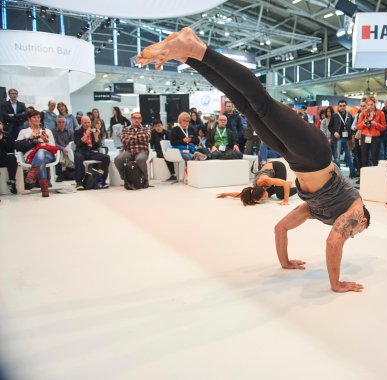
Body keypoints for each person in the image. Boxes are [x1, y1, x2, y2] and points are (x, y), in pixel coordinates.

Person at [137, 27, 370, 292]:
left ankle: (188, 56)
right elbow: (333, 243)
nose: (355, 233)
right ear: (363, 222)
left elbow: (281, 228)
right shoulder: (356, 211)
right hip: (315, 152)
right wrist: (336, 283)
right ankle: (198, 50)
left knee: (245, 105)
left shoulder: (320, 211)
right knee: (261, 103)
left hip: (295, 158)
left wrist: (285, 262)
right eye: (359, 232)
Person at [15, 110, 57, 197]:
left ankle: (32, 174)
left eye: (38, 117)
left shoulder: (47, 131)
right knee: (40, 161)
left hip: (48, 155)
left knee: (41, 151)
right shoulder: (24, 132)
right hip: (30, 156)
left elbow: (53, 146)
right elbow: (18, 146)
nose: (37, 119)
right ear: (29, 119)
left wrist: (46, 141)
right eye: (34, 117)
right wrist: (31, 139)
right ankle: (45, 190)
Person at [217, 161, 297, 205]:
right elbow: (240, 194)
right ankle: (286, 184)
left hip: (277, 167)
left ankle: (299, 188)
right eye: (262, 199)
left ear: (263, 189)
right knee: (277, 190)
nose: (265, 199)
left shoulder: (266, 180)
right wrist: (226, 194)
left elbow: (284, 184)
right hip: (267, 175)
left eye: (264, 196)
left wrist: (286, 201)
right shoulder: (254, 192)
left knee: (280, 194)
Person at [114, 112, 151, 188]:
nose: (136, 120)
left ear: (141, 119)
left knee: (140, 159)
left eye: (138, 118)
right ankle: (125, 178)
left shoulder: (145, 128)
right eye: (135, 118)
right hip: (129, 151)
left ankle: (145, 180)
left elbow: (146, 137)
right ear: (131, 119)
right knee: (118, 159)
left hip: (142, 151)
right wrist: (138, 137)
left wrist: (131, 137)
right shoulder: (125, 129)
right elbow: (124, 140)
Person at [73, 116, 110, 190]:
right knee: (78, 157)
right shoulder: (77, 132)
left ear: (90, 122)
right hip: (80, 151)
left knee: (106, 157)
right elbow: (78, 144)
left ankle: (102, 179)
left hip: (89, 151)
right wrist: (86, 135)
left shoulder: (93, 131)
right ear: (81, 123)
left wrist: (96, 136)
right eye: (85, 123)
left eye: (88, 122)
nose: (87, 124)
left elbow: (97, 146)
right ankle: (79, 182)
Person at [356, 96, 386, 168]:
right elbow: (358, 126)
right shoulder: (363, 113)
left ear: (375, 103)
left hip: (375, 137)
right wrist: (364, 122)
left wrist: (376, 124)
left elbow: (384, 128)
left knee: (375, 158)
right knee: (364, 158)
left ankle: (374, 176)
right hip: (365, 136)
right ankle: (364, 177)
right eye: (368, 105)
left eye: (371, 104)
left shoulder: (380, 113)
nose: (370, 106)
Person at [330, 100, 357, 177]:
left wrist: (352, 135)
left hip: (347, 139)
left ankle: (352, 172)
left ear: (346, 106)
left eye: (344, 105)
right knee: (337, 157)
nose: (342, 107)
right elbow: (330, 126)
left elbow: (352, 126)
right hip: (338, 139)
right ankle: (338, 174)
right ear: (338, 106)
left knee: (349, 156)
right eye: (341, 106)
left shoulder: (349, 115)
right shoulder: (334, 115)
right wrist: (334, 132)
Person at [53, 115, 74, 182]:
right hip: (57, 150)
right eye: (59, 122)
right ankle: (60, 175)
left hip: (68, 150)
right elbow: (53, 143)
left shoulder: (70, 132)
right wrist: (62, 149)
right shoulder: (53, 132)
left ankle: (69, 171)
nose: (61, 124)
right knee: (58, 155)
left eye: (63, 122)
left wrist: (67, 149)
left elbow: (72, 143)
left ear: (65, 123)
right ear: (56, 123)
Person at [0, 121, 17, 194]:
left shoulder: (7, 135)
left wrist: (2, 140)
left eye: (0, 124)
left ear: (2, 125)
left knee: (12, 157)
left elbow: (11, 149)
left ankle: (12, 181)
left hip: (3, 158)